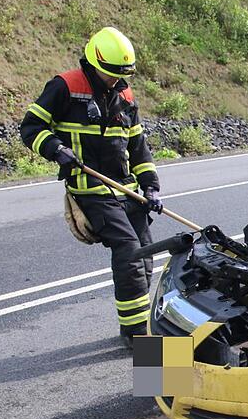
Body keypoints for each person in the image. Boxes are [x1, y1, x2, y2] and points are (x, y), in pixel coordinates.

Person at [20, 27, 163, 348]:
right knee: (129, 251)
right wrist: (56, 149)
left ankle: (143, 331)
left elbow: (138, 148)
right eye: (111, 75)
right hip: (91, 190)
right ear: (94, 61)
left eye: (121, 76)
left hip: (127, 191)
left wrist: (151, 187)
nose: (116, 81)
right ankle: (140, 337)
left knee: (147, 253)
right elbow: (31, 127)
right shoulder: (65, 87)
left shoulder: (124, 96)